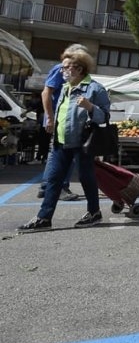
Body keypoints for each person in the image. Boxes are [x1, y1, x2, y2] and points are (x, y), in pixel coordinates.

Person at [18, 48, 111, 231]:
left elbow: (105, 118)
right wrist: (51, 122)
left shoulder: (95, 89)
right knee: (53, 180)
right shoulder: (66, 88)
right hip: (60, 141)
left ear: (78, 68)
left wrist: (90, 107)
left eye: (65, 67)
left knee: (86, 178)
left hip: (82, 143)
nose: (62, 71)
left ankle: (94, 212)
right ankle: (44, 218)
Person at [37, 44, 88, 201]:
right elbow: (46, 92)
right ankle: (58, 187)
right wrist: (50, 118)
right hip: (60, 118)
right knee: (63, 154)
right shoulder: (63, 68)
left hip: (64, 118)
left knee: (58, 153)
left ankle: (48, 186)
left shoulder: (73, 70)